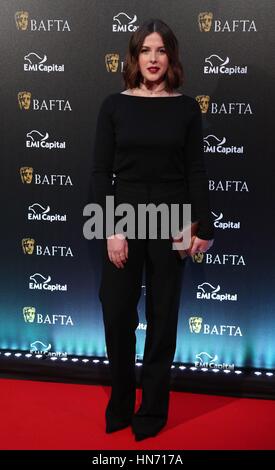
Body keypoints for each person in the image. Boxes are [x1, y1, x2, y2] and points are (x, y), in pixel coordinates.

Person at [91, 18, 214, 441]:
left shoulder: (185, 108)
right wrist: (110, 228)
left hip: (175, 219)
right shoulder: (114, 105)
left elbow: (197, 171)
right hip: (123, 217)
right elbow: (99, 171)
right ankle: (121, 402)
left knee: (164, 319)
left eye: (160, 50)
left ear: (171, 57)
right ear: (135, 56)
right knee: (117, 313)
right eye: (146, 50)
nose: (153, 59)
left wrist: (203, 224)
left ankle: (154, 409)